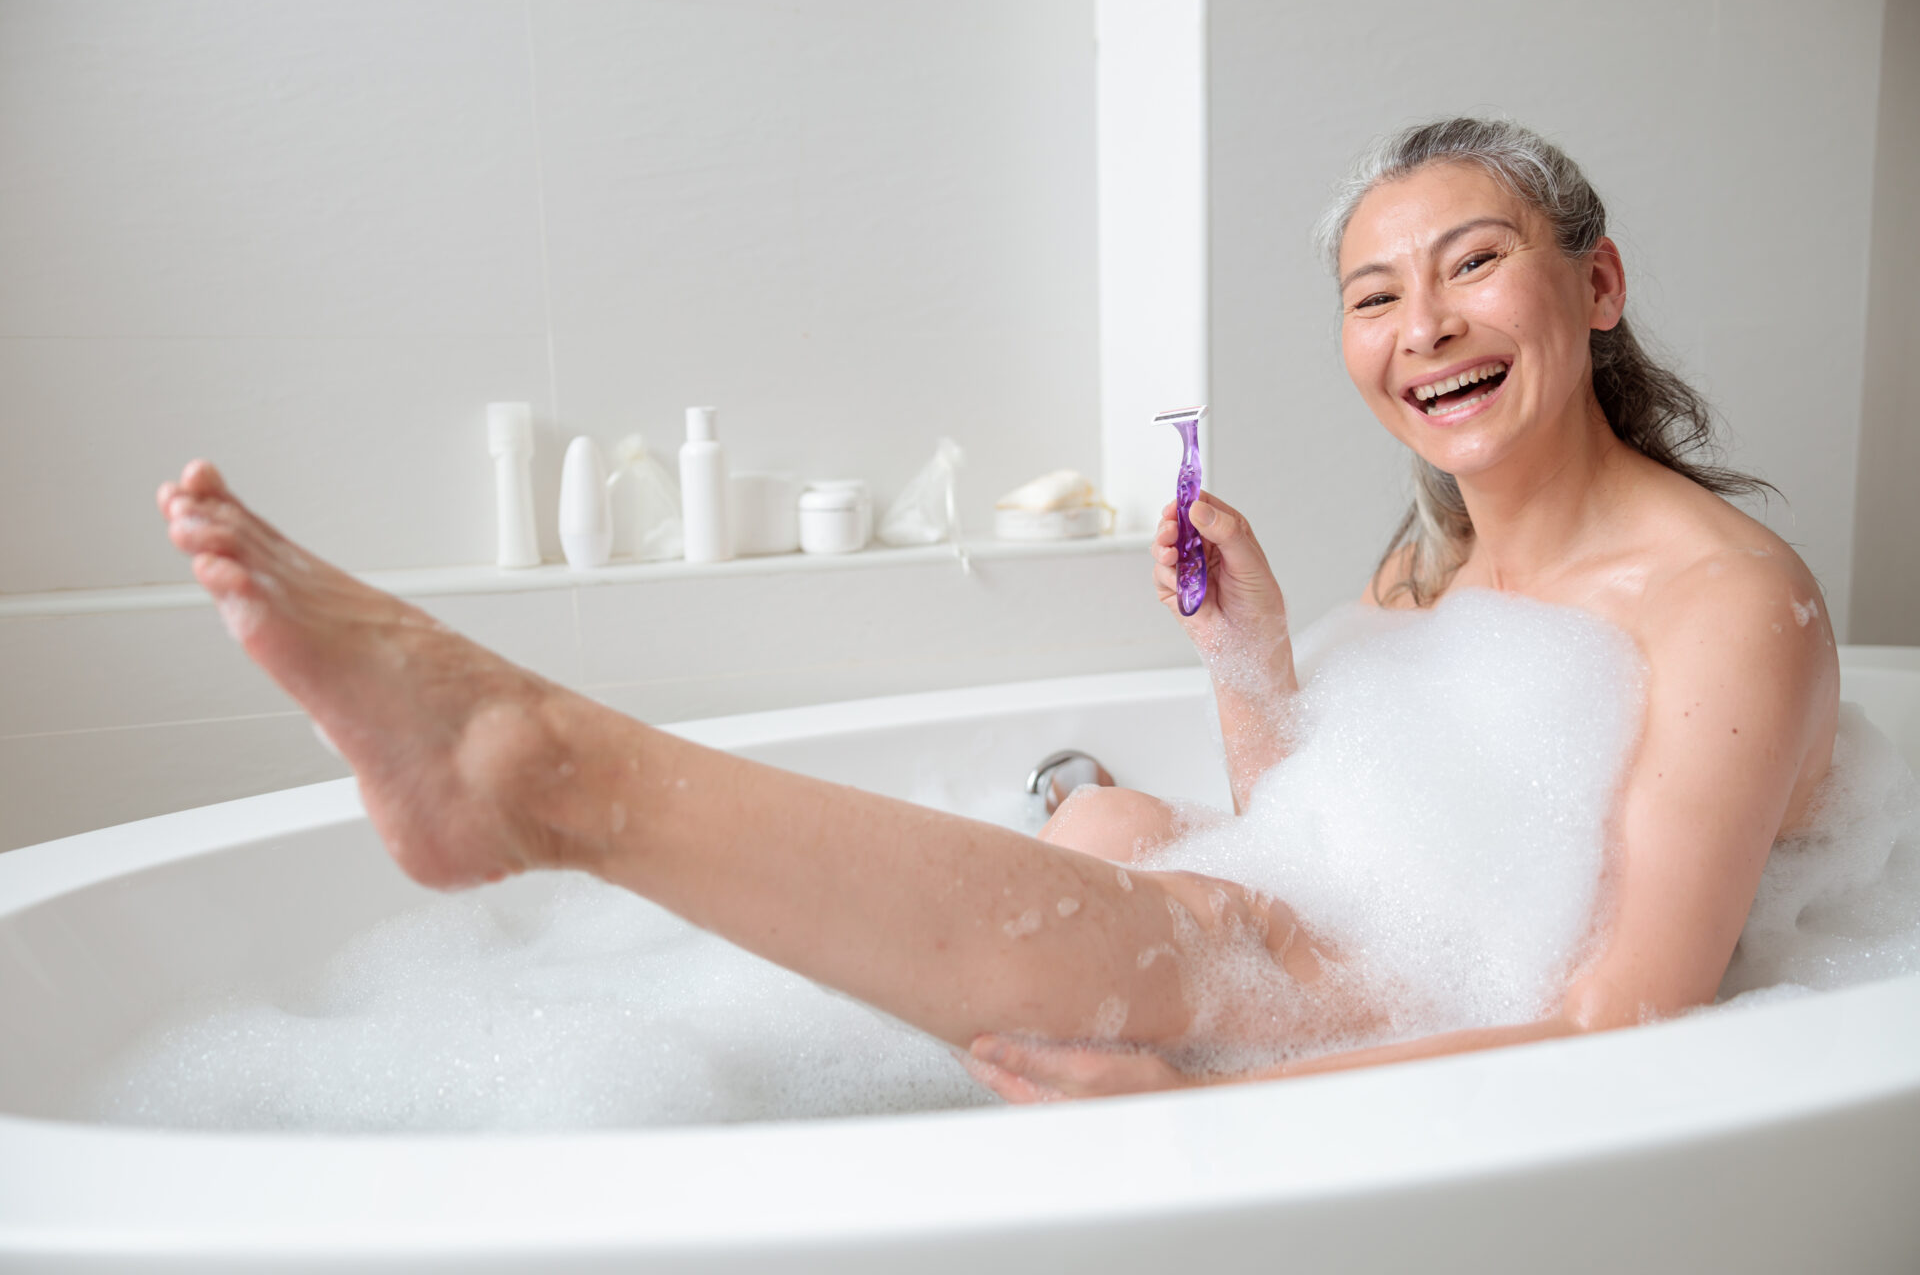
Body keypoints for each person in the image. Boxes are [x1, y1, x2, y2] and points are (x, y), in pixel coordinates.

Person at [154, 118, 1836, 1103]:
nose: (1424, 325)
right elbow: (1318, 835)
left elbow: (1627, 1023)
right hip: (1402, 977)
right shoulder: (1426, 569)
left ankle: (549, 776)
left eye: (1474, 264)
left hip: (1489, 1045)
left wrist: (1208, 1096)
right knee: (1110, 819)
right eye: (1374, 294)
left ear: (1594, 286)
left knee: (1203, 927)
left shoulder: (1725, 604)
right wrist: (1245, 660)